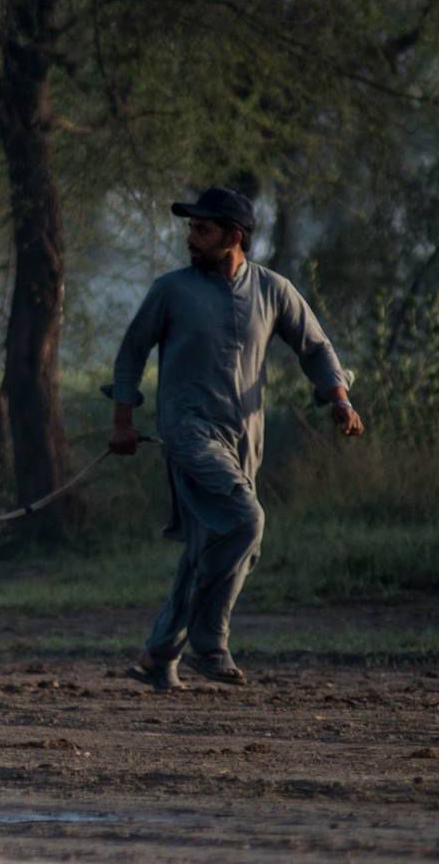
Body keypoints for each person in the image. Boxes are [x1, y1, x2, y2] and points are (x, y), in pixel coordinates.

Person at [105, 186, 364, 690]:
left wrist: (339, 399)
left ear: (235, 236)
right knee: (246, 520)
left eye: (202, 230)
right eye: (191, 228)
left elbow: (315, 346)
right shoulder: (171, 290)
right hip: (187, 431)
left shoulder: (273, 290)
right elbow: (132, 351)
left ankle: (160, 653)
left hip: (244, 438)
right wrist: (121, 422)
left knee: (210, 544)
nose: (191, 238)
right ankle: (210, 645)